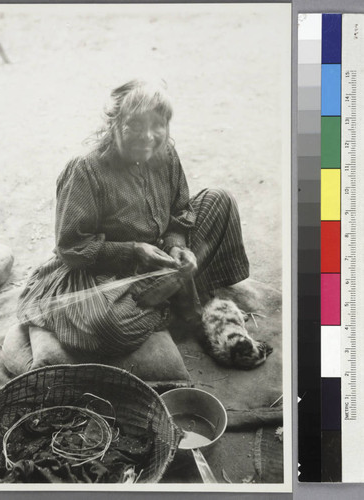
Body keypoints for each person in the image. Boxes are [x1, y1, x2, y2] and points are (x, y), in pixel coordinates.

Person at [17, 79, 249, 356]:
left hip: (160, 255)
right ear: (113, 123)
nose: (148, 136)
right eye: (135, 125)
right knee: (108, 324)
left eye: (157, 125)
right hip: (105, 270)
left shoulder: (165, 154)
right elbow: (71, 248)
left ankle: (170, 291)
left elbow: (180, 210)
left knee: (219, 200)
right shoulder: (85, 170)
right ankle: (176, 300)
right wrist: (133, 251)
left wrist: (177, 245)